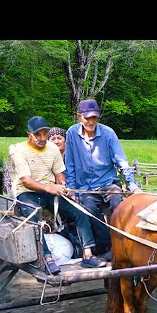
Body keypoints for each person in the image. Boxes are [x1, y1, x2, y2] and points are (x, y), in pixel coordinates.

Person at [11, 115, 108, 273]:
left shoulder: (52, 148)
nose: (42, 138)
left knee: (80, 212)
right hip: (27, 193)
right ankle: (47, 258)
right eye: (38, 135)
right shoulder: (17, 150)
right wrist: (51, 188)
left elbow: (59, 174)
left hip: (50, 192)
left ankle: (88, 255)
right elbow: (26, 181)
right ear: (29, 134)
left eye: (44, 133)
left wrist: (63, 186)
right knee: (34, 221)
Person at [64, 99, 142, 259]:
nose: (91, 121)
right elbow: (69, 164)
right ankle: (110, 245)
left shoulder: (108, 133)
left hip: (108, 183)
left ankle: (125, 244)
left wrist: (132, 185)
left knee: (118, 204)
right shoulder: (72, 133)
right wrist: (72, 190)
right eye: (87, 118)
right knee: (87, 209)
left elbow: (121, 161)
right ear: (79, 116)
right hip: (84, 187)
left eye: (94, 118)